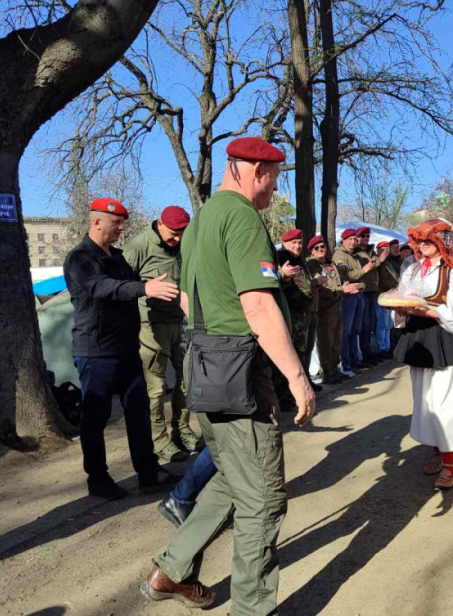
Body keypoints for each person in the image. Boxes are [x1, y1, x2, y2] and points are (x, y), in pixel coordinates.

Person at [141, 137, 315, 611]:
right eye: (274, 180)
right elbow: (257, 305)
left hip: (204, 369)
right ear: (255, 171)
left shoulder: (200, 222)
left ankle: (171, 569)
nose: (273, 191)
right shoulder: (241, 217)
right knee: (263, 499)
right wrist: (299, 378)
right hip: (239, 377)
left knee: (228, 481)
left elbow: (184, 296)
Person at [63, 198, 181, 500]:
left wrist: (149, 284)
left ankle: (148, 473)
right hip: (96, 352)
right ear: (97, 222)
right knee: (95, 418)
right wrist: (145, 288)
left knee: (138, 412)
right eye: (116, 223)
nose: (121, 228)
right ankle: (98, 479)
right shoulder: (80, 258)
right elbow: (102, 288)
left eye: (122, 222)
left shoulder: (116, 256)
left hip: (126, 350)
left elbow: (129, 283)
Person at [392, 219, 453, 489]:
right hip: (418, 338)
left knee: (446, 403)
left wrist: (428, 310)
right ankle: (437, 453)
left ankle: (450, 463)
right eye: (420, 240)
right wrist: (402, 310)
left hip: (442, 338)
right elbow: (401, 300)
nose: (423, 245)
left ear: (442, 242)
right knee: (426, 401)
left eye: (429, 240)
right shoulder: (412, 270)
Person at [123, 205, 200, 463]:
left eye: (182, 234)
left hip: (180, 323)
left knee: (186, 380)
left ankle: (183, 430)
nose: (177, 239)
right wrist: (146, 288)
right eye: (174, 234)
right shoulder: (139, 245)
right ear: (160, 225)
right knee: (155, 389)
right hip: (150, 327)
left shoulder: (183, 245)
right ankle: (159, 440)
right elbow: (123, 285)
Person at [305, 234, 359, 383]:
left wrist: (345, 287)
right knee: (326, 342)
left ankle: (335, 370)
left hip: (337, 306)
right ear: (312, 251)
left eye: (323, 247)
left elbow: (337, 281)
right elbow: (323, 287)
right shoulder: (312, 265)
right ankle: (327, 373)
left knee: (337, 341)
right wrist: (342, 290)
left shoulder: (329, 263)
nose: (321, 249)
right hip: (324, 307)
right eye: (317, 248)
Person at [277, 228, 323, 395]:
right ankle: (287, 391)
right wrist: (284, 275)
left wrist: (315, 283)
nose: (297, 246)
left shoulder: (300, 260)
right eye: (293, 243)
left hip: (307, 311)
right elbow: (274, 283)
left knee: (306, 349)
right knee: (293, 352)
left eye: (299, 243)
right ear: (284, 243)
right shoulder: (281, 259)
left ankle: (305, 383)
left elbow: (303, 283)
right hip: (292, 312)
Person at [332, 229, 370, 373]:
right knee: (346, 330)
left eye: (355, 239)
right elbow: (345, 274)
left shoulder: (353, 255)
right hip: (348, 295)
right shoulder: (340, 255)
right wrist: (364, 270)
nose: (353, 242)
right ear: (343, 240)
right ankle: (346, 362)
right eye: (350, 239)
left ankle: (355, 359)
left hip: (358, 293)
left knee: (355, 329)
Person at [355, 227, 390, 363]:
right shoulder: (357, 252)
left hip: (372, 290)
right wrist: (379, 259)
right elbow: (371, 264)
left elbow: (376, 263)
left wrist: (378, 260)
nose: (365, 238)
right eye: (363, 235)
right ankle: (364, 353)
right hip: (363, 291)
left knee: (370, 324)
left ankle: (368, 351)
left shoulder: (370, 250)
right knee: (364, 325)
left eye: (367, 236)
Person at [375, 240, 399, 358]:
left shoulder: (389, 262)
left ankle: (388, 347)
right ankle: (382, 348)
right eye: (383, 248)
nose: (385, 251)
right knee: (382, 323)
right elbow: (381, 279)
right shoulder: (378, 262)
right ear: (378, 250)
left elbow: (394, 278)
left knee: (388, 323)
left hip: (390, 296)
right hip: (381, 296)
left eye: (387, 248)